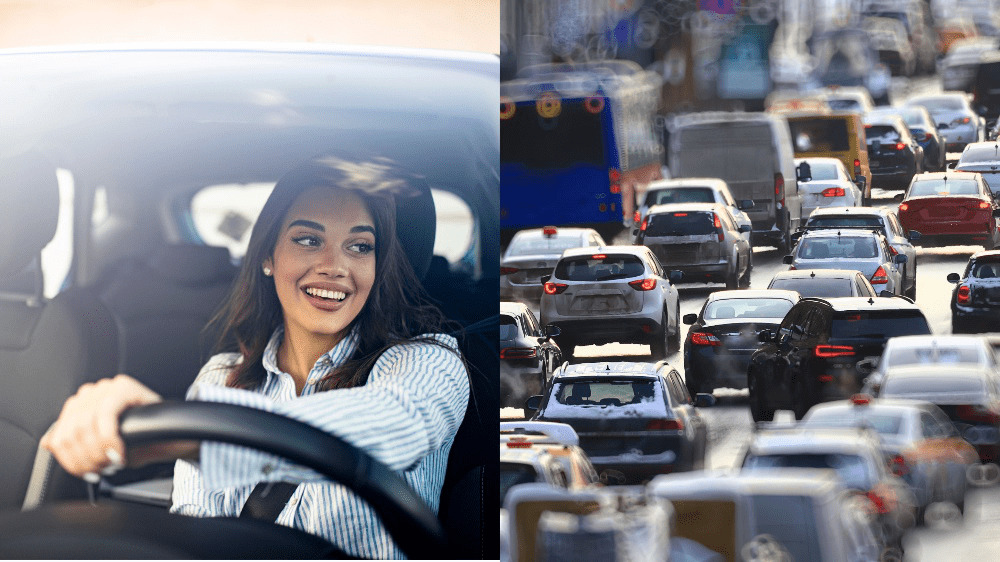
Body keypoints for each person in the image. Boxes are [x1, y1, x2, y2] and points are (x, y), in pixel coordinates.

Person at [39, 155, 470, 559]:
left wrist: (196, 436)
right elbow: (195, 527)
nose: (334, 266)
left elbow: (399, 421)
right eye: (308, 239)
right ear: (267, 255)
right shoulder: (221, 377)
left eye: (359, 247)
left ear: (378, 268)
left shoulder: (428, 363)